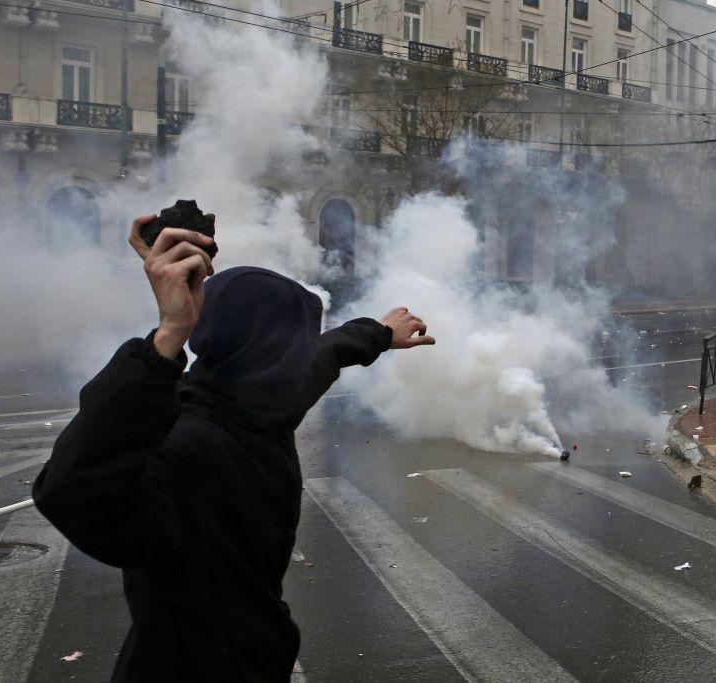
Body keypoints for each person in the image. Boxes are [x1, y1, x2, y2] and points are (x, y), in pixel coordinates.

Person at [32, 217, 436, 681]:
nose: (304, 352)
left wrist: (378, 332)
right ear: (273, 352)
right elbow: (71, 491)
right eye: (295, 341)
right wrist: (166, 336)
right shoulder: (187, 446)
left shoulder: (260, 402)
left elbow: (325, 354)